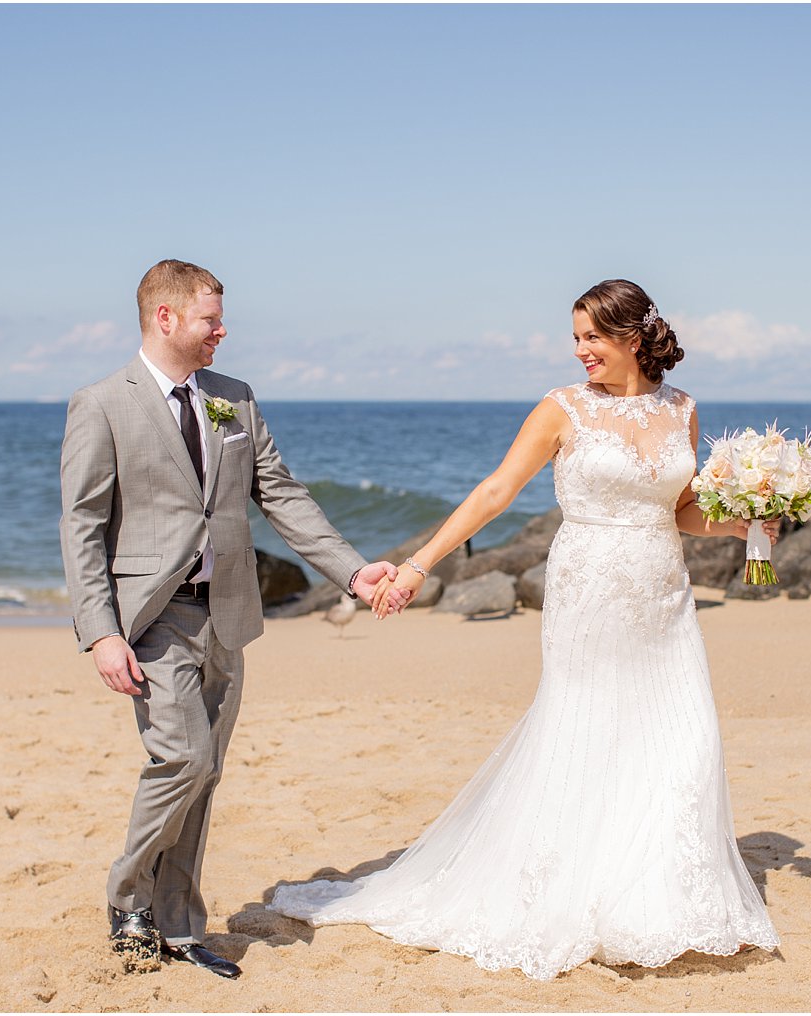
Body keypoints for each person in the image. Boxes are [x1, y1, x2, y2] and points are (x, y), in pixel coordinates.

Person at [267, 279, 782, 980]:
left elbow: (683, 510)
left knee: (681, 734)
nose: (582, 352)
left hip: (662, 592)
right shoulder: (561, 409)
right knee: (587, 731)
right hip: (589, 590)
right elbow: (495, 491)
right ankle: (568, 887)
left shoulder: (682, 410)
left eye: (594, 338)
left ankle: (656, 896)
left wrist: (747, 525)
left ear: (635, 336)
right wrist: (418, 564)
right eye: (576, 338)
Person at [60, 259, 406, 980]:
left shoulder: (234, 400)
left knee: (205, 772)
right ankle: (129, 898)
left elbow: (280, 494)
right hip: (149, 620)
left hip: (226, 616)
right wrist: (100, 631)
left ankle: (180, 924)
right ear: (165, 318)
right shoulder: (101, 403)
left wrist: (349, 569)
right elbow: (83, 525)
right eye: (210, 318)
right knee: (181, 759)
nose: (223, 329)